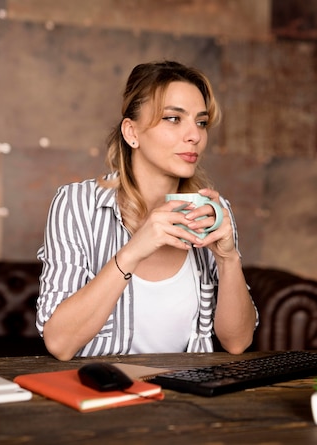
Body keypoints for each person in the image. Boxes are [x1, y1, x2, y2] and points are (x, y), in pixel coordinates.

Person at [36, 60, 258, 361]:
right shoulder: (77, 205)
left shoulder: (213, 212)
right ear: (132, 132)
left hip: (189, 398)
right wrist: (134, 250)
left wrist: (228, 258)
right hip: (104, 396)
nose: (194, 135)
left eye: (201, 122)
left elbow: (237, 343)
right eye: (173, 119)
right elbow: (60, 343)